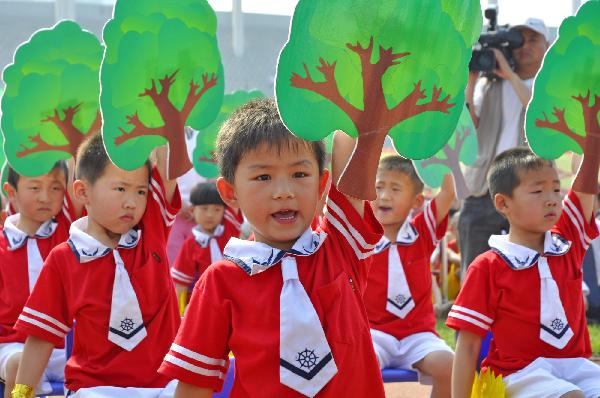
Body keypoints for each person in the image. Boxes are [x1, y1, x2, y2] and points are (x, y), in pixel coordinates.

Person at [158, 99, 386, 397]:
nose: (284, 192)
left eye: (300, 174)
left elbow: (352, 140)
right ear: (230, 192)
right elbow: (194, 386)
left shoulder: (341, 247)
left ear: (321, 184)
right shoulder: (219, 282)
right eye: (263, 177)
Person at [11, 133, 183, 398]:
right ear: (83, 192)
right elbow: (41, 337)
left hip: (163, 387)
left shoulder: (152, 229)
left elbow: (169, 165)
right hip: (94, 388)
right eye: (120, 189)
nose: (132, 201)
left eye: (141, 191)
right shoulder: (64, 259)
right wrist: (21, 394)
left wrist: (162, 118)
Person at [448, 147, 600, 398]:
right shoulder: (488, 266)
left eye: (555, 189)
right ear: (503, 203)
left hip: (574, 366)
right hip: (519, 373)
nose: (551, 198)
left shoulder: (568, 241)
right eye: (538, 191)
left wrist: (590, 140)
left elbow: (584, 187)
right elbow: (467, 345)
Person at [460, 18, 550, 272]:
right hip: (482, 190)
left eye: (533, 39)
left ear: (548, 46)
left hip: (529, 193)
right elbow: (469, 128)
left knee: (526, 272)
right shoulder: (491, 85)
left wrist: (510, 75)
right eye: (518, 39)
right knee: (474, 270)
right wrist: (472, 82)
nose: (524, 46)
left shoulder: (549, 87)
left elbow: (539, 114)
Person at [363, 156, 455, 397]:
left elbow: (447, 193)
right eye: (379, 187)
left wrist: (437, 151)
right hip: (373, 333)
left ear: (417, 200)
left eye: (395, 189)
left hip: (418, 335)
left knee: (449, 365)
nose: (384, 196)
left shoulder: (421, 231)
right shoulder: (361, 239)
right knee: (356, 361)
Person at [0, 162, 76, 398]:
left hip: (65, 347)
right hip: (14, 345)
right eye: (34, 188)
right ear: (11, 193)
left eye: (55, 188)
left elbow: (76, 163)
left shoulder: (69, 231)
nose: (45, 197)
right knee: (20, 365)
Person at [170, 181, 242, 304]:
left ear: (224, 212)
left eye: (217, 209)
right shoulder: (191, 244)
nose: (210, 214)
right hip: (205, 300)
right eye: (204, 209)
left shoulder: (230, 229)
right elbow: (179, 285)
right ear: (193, 210)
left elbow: (233, 195)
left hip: (236, 295)